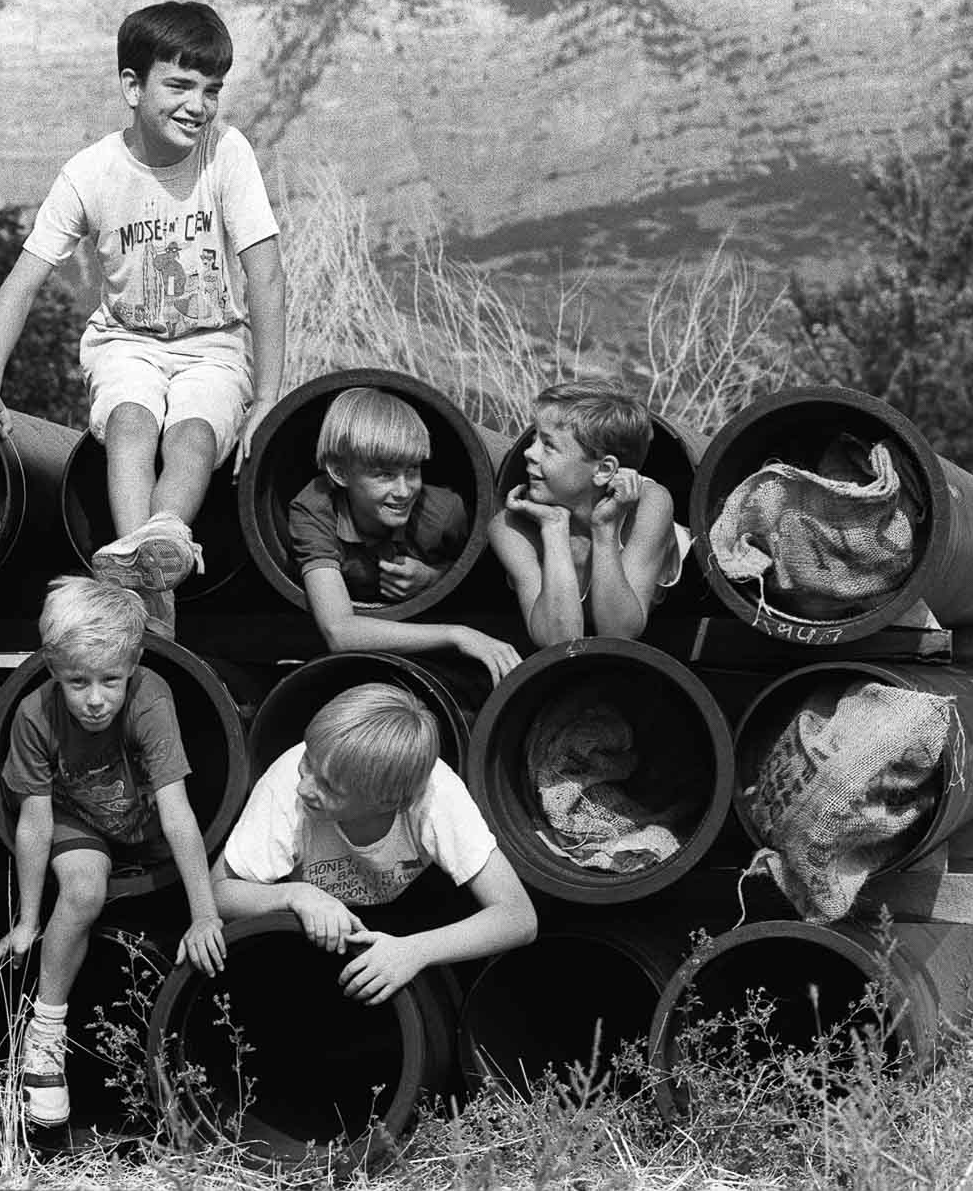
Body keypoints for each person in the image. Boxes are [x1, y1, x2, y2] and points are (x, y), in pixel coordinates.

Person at [0, 0, 287, 639]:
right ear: (132, 87)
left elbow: (265, 274)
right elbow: (22, 282)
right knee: (132, 423)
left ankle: (162, 541)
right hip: (126, 339)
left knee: (190, 434)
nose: (199, 105)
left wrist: (266, 396)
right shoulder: (91, 172)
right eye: (180, 85)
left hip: (212, 343)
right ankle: (143, 566)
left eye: (211, 90)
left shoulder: (226, 154)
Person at [0, 575, 225, 1128]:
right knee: (84, 891)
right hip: (81, 820)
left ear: (135, 663)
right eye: (78, 681)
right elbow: (34, 822)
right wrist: (27, 921)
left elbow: (179, 812)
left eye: (111, 680)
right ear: (51, 668)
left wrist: (204, 914)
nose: (96, 699)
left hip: (147, 821)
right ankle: (44, 1036)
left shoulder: (149, 699)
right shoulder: (34, 716)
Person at [211, 683, 537, 1005]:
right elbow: (219, 892)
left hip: (415, 909)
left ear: (389, 802)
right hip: (313, 926)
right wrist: (295, 895)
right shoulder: (286, 784)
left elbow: (518, 917)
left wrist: (415, 951)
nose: (305, 787)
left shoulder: (436, 795)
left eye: (329, 787)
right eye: (308, 761)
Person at [287, 387, 521, 683]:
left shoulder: (444, 512)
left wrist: (434, 578)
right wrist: (457, 635)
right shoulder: (315, 508)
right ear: (340, 473)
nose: (404, 491)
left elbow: (484, 576)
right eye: (384, 475)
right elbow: (339, 631)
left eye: (412, 470)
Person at [487, 379, 690, 647]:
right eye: (534, 438)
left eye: (548, 445)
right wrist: (553, 527)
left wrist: (604, 528)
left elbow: (619, 633)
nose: (528, 452)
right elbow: (558, 642)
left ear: (604, 470)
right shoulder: (510, 527)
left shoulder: (649, 504)